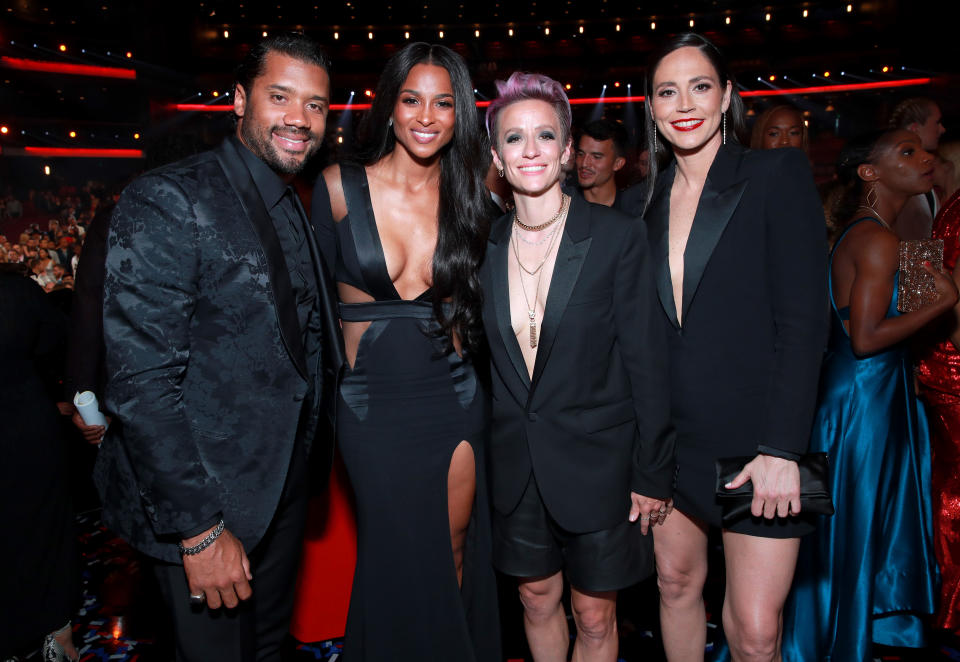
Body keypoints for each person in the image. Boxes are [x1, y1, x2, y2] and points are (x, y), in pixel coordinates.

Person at [97, 32, 344, 661]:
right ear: (239, 99)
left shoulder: (290, 197)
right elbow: (140, 383)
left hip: (280, 489)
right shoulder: (169, 199)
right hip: (206, 504)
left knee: (264, 650)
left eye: (315, 105)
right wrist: (200, 531)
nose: (299, 118)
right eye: (280, 97)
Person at [641, 33, 827, 662]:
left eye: (700, 86)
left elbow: (805, 324)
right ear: (652, 107)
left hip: (756, 444)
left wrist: (782, 449)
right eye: (668, 91)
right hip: (672, 442)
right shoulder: (645, 203)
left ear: (726, 98)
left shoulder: (775, 174)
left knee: (754, 632)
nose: (684, 103)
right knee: (674, 585)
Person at [312, 42, 501, 661]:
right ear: (389, 107)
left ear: (461, 114)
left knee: (452, 545)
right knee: (392, 550)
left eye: (443, 103)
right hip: (370, 407)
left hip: (454, 397)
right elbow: (307, 309)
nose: (426, 116)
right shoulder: (338, 187)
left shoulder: (473, 194)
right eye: (412, 99)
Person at [481, 71, 674, 662]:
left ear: (566, 150)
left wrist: (652, 473)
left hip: (600, 466)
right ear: (497, 156)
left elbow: (648, 361)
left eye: (545, 136)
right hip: (518, 469)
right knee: (536, 601)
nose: (530, 150)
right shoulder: (484, 245)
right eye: (515, 139)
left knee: (595, 615)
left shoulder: (616, 236)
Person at [781, 129, 948, 660]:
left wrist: (932, 289)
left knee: (875, 519)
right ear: (869, 173)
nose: (926, 157)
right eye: (907, 151)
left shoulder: (900, 230)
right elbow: (866, 337)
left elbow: (915, 327)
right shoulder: (874, 238)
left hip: (884, 391)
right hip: (860, 399)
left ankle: (861, 635)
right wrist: (945, 299)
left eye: (926, 151)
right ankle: (835, 644)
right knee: (853, 522)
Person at [0, 263, 81, 662]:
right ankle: (58, 637)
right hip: (25, 430)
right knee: (44, 529)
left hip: (25, 427)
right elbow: (59, 340)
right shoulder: (16, 292)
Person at [911, 162, 960, 637]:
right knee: (950, 489)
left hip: (928, 362)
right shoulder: (937, 212)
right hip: (946, 367)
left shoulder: (939, 211)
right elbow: (922, 297)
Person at [890, 96, 946, 238]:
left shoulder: (919, 178)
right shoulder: (908, 183)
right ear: (915, 129)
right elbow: (916, 255)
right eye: (937, 123)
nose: (942, 129)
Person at [574, 118, 647, 216]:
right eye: (581, 154)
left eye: (596, 157)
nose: (584, 163)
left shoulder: (633, 212)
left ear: (618, 164)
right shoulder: (563, 206)